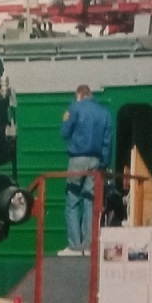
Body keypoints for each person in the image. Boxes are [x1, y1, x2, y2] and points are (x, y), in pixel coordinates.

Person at [59, 84, 112, 256]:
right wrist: (103, 163)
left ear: (79, 95)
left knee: (73, 200)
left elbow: (64, 132)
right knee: (90, 201)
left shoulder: (75, 107)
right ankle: (88, 246)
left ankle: (75, 246)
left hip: (77, 159)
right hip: (95, 160)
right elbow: (107, 142)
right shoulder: (104, 113)